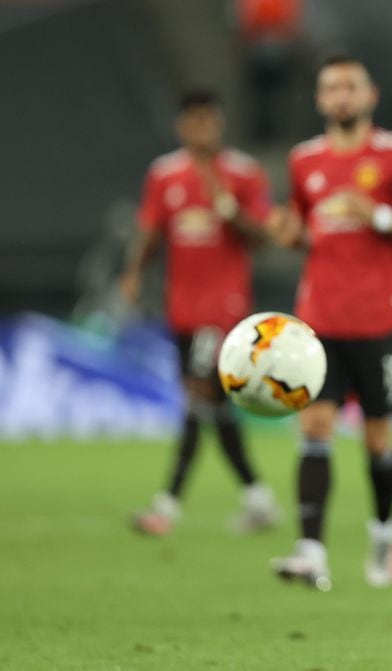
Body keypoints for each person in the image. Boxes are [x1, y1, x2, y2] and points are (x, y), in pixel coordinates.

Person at [268, 54, 392, 591]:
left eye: (350, 86)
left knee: (376, 437)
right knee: (315, 428)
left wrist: (378, 215)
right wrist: (286, 231)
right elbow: (302, 228)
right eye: (331, 88)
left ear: (370, 96)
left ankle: (385, 532)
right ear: (320, 100)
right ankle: (310, 551)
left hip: (379, 320)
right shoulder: (304, 161)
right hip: (318, 321)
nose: (341, 95)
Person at [123, 89, 281, 536]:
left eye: (210, 120)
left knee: (196, 397)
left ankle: (166, 505)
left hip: (224, 310)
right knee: (214, 407)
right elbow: (151, 230)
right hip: (182, 309)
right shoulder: (164, 175)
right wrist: (134, 273)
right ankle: (259, 499)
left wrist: (231, 212)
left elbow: (263, 237)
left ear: (220, 124)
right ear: (182, 126)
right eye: (194, 121)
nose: (203, 129)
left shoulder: (244, 174)